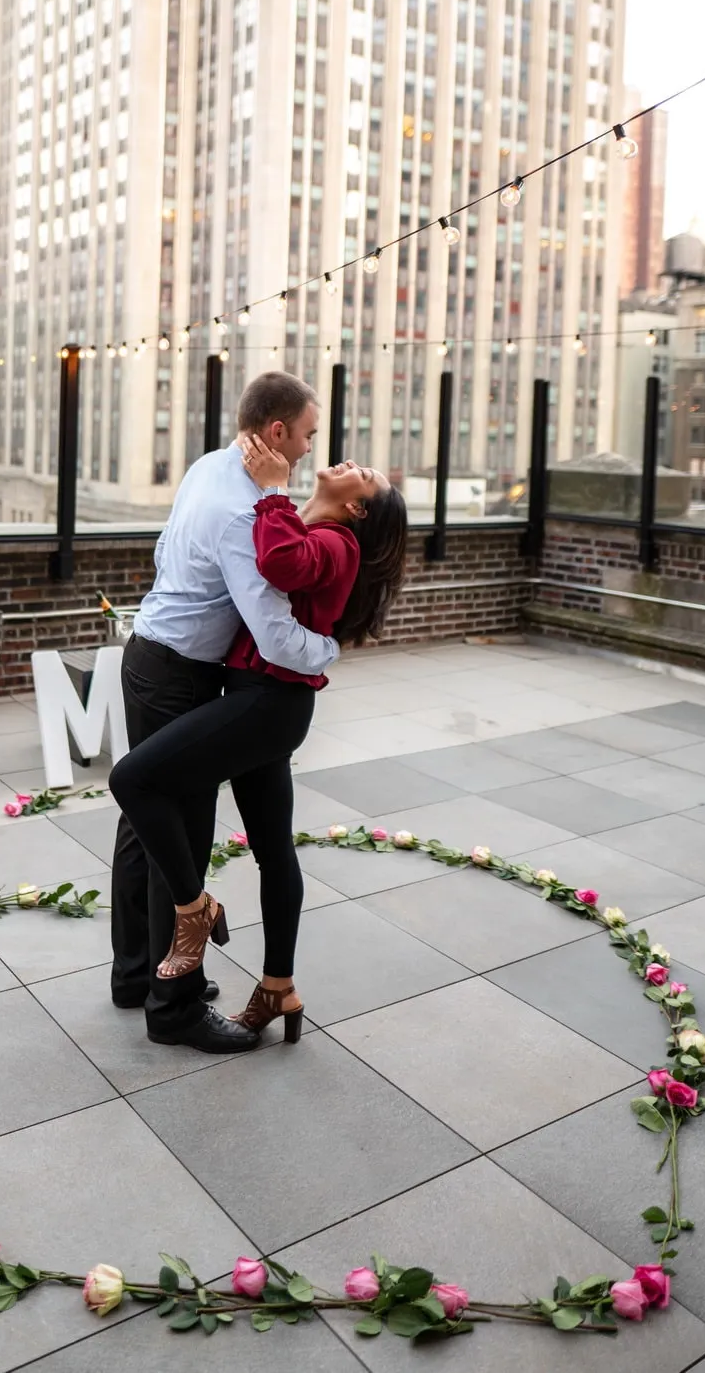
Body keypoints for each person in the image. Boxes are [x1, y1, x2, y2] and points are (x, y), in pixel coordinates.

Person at [110, 436, 409, 1044]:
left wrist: (272, 492)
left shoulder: (333, 540)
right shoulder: (307, 524)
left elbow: (277, 566)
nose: (352, 463)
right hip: (260, 700)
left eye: (365, 476)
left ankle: (193, 912)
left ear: (358, 509)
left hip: (265, 705)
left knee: (134, 780)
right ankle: (278, 986)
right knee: (273, 848)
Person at [110, 371, 338, 1052]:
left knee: (144, 831)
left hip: (149, 652)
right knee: (178, 835)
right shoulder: (245, 511)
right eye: (304, 435)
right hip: (179, 674)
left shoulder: (208, 464)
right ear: (275, 432)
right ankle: (173, 1007)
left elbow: (163, 552)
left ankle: (135, 974)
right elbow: (272, 635)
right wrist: (328, 648)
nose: (306, 449)